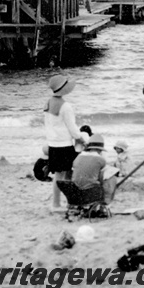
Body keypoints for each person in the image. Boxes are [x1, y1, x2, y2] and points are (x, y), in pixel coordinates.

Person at [43, 74, 83, 212]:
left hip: (53, 144)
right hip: (64, 145)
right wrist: (81, 138)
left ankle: (57, 203)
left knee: (58, 176)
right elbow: (72, 128)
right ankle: (61, 204)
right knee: (66, 175)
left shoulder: (48, 103)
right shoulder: (65, 106)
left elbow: (47, 124)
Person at [72, 134, 118, 204]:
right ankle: (106, 201)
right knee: (112, 178)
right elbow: (104, 173)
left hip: (75, 190)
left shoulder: (79, 157)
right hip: (91, 191)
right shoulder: (100, 159)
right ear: (99, 149)